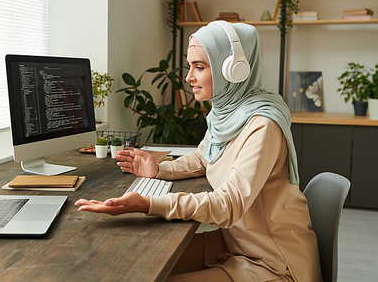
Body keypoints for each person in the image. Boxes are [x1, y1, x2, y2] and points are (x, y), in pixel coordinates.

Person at [75, 21, 322, 282]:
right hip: (235, 244)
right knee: (129, 265)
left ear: (233, 71)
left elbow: (228, 205)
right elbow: (204, 155)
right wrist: (160, 169)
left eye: (200, 67)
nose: (188, 77)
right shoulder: (226, 113)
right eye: (190, 66)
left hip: (272, 263)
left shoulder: (263, 126)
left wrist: (148, 203)